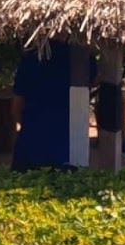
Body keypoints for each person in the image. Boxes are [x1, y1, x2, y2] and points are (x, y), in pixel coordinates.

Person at [11, 40, 95, 172]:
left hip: (31, 143)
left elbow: (17, 106)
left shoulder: (30, 57)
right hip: (68, 146)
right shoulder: (83, 56)